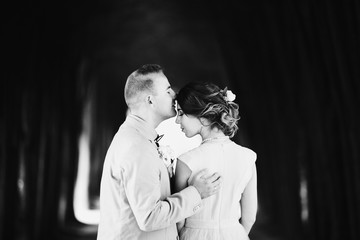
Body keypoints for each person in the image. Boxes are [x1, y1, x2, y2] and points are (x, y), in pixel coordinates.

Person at [96, 64, 222, 240]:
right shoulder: (136, 147)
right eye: (168, 90)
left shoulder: (137, 139)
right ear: (150, 100)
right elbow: (149, 217)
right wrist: (196, 193)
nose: (174, 95)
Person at [174, 81, 258, 240]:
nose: (177, 121)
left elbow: (179, 219)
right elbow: (249, 217)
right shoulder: (248, 157)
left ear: (204, 118)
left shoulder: (186, 162)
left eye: (181, 113)